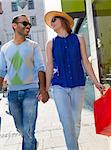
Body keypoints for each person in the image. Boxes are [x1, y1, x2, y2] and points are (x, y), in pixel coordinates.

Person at [44, 11, 105, 150]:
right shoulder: (50, 44)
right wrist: (46, 89)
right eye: (50, 21)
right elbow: (49, 66)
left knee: (76, 122)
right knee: (67, 122)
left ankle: (72, 144)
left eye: (54, 19)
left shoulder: (79, 39)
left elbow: (86, 62)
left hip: (78, 85)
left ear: (63, 20)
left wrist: (96, 82)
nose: (52, 23)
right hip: (59, 86)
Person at [0, 14, 49, 150]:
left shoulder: (33, 46)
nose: (28, 26)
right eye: (24, 23)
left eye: (29, 24)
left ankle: (29, 141)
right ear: (14, 26)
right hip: (12, 93)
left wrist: (43, 90)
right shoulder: (5, 48)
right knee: (21, 128)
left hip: (30, 91)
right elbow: (1, 72)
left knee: (28, 130)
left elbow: (41, 68)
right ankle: (31, 141)